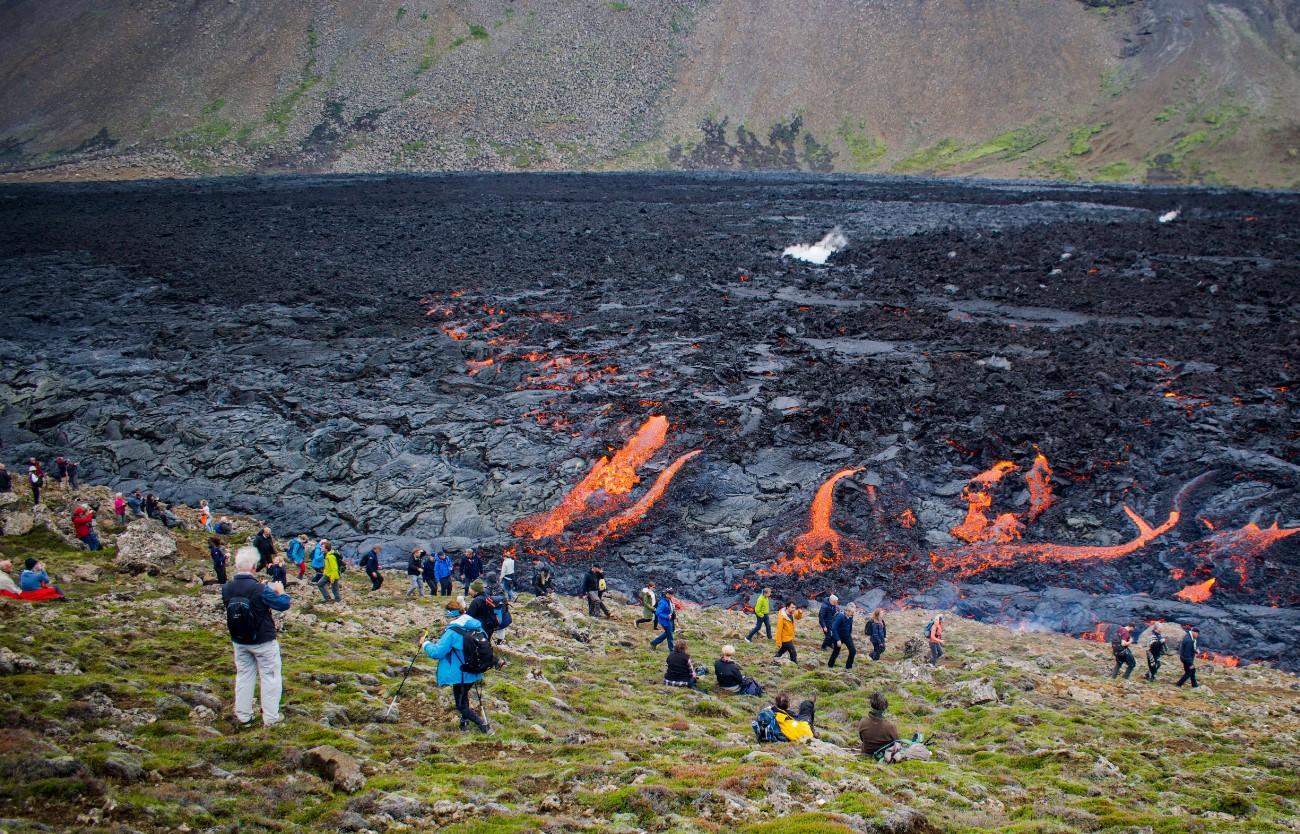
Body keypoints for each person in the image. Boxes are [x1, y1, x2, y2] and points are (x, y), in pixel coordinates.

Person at [222, 546, 291, 727]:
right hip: (263, 640)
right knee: (270, 677)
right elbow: (283, 604)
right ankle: (271, 719)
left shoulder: (227, 588)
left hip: (239, 640)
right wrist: (280, 590)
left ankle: (244, 716)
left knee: (244, 676)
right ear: (253, 566)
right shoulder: (259, 589)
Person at [421, 598, 491, 733]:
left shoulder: (452, 632)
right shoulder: (476, 626)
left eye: (446, 617)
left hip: (460, 673)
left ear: (450, 616)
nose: (446, 620)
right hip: (475, 669)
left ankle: (484, 726)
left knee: (460, 705)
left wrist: (425, 644)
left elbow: (437, 652)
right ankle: (463, 724)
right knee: (463, 696)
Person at [859, 691, 930, 762]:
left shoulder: (863, 722)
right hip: (884, 755)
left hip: (866, 753)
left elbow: (862, 739)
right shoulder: (890, 726)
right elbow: (897, 742)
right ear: (884, 709)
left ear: (871, 706)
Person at [829, 603, 858, 669]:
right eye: (852, 612)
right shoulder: (840, 616)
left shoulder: (851, 616)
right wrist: (837, 639)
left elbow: (849, 626)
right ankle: (830, 665)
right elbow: (834, 628)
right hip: (838, 636)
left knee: (853, 651)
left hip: (847, 636)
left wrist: (849, 634)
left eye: (854, 612)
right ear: (847, 610)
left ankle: (848, 667)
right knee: (836, 651)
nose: (853, 614)